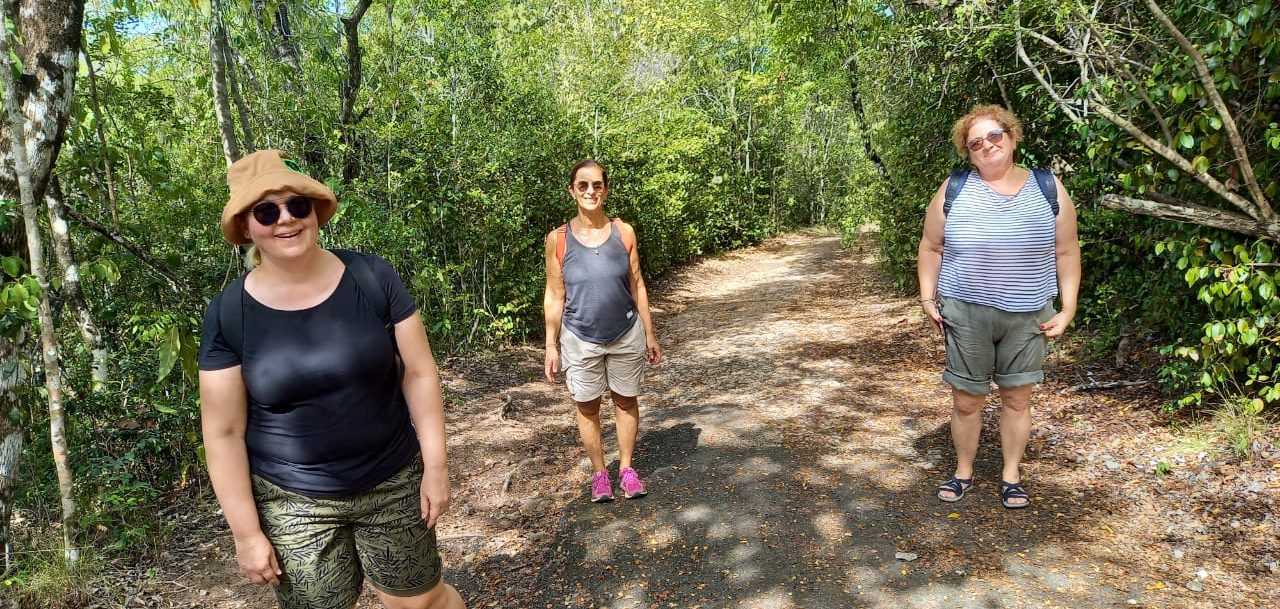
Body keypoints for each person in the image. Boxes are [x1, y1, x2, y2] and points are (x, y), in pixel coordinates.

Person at [198, 149, 466, 609]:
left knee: (420, 602)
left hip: (392, 478)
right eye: (266, 212)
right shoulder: (228, 314)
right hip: (293, 500)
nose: (286, 219)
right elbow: (223, 431)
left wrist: (436, 468)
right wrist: (246, 533)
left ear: (314, 211)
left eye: (297, 205)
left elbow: (420, 373)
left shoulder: (371, 276)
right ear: (246, 228)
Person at [917, 105, 1081, 509]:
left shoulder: (1047, 187)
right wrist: (927, 297)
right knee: (966, 400)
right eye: (976, 143)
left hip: (1028, 313)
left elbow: (1067, 251)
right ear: (968, 152)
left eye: (994, 136)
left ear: (1011, 136)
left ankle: (1011, 475)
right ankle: (963, 472)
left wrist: (1068, 308)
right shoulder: (954, 189)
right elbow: (931, 247)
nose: (987, 146)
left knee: (1017, 399)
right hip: (966, 311)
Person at [543, 160, 663, 503]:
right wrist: (551, 345)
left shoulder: (624, 232)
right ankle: (600, 474)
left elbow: (637, 284)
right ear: (572, 191)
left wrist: (650, 333)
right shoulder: (558, 239)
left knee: (625, 400)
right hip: (579, 337)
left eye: (597, 185)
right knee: (587, 407)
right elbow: (555, 294)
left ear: (605, 190)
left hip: (625, 332)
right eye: (583, 185)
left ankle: (626, 468)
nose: (590, 191)